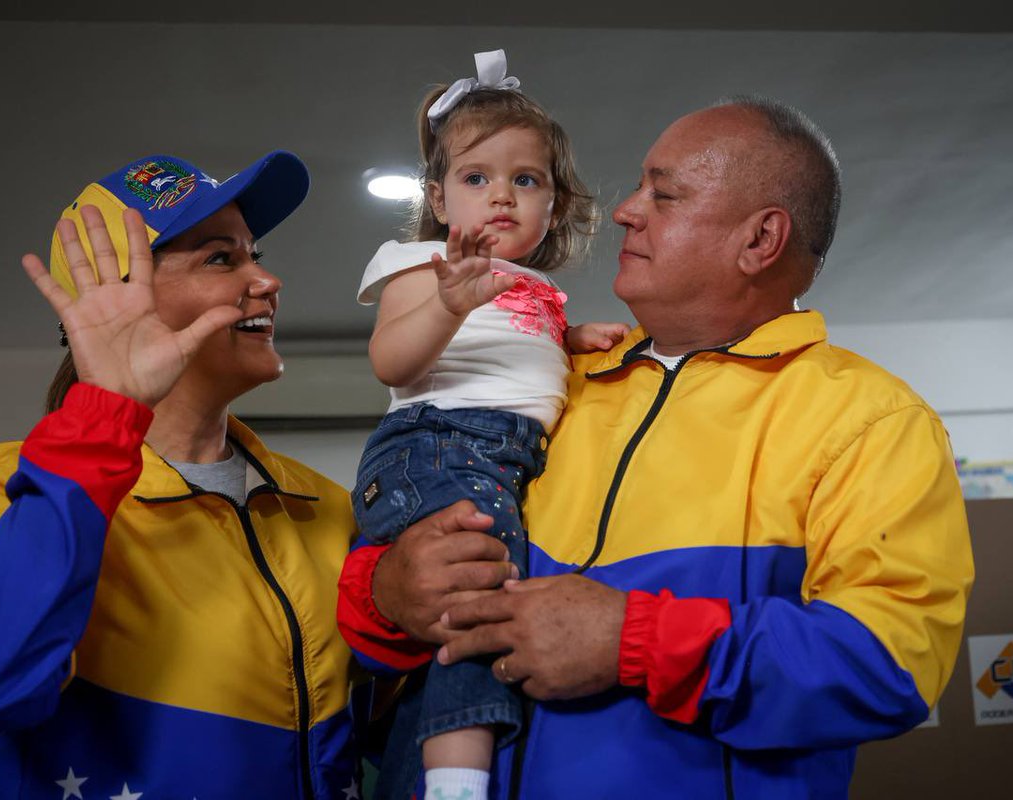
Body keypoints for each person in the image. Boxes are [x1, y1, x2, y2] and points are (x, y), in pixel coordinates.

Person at [338, 96, 976, 798]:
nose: (624, 209)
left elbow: (890, 667)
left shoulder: (870, 420)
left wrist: (632, 641)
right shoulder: (552, 383)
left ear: (760, 240)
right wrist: (385, 594)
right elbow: (397, 568)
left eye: (662, 194)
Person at [0, 152, 371, 799]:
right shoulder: (6, 482)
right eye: (221, 258)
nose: (268, 279)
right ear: (118, 297)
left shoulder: (326, 508)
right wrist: (103, 416)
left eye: (254, 252)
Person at [347, 50, 627, 800]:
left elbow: (513, 347)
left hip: (504, 455)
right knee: (478, 590)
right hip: (440, 442)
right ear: (439, 199)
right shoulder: (423, 265)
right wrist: (446, 304)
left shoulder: (533, 287)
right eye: (477, 178)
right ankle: (455, 781)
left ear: (553, 203)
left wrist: (568, 340)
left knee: (504, 585)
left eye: (524, 179)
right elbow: (392, 362)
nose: (501, 196)